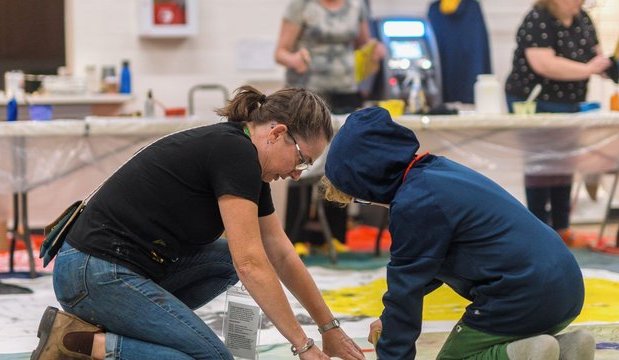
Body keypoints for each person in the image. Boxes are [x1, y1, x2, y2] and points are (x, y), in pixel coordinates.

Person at [31, 86, 366, 360]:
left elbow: (280, 252)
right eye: (302, 160)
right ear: (277, 133)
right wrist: (303, 346)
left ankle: (136, 329)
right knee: (212, 359)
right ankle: (83, 344)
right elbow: (250, 263)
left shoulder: (247, 158)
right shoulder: (235, 154)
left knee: (223, 262)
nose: (296, 174)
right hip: (92, 273)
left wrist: (329, 328)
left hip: (112, 267)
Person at [321, 106, 595, 359]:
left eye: (360, 198)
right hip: (567, 287)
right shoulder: (439, 170)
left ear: (369, 182)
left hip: (522, 296)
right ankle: (567, 349)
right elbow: (428, 266)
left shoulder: (413, 204)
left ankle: (521, 354)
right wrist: (388, 318)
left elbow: (406, 289)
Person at [504, 0, 614, 244]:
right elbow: (544, 64)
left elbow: (596, 58)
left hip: (570, 103)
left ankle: (562, 228)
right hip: (533, 101)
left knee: (564, 163)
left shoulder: (583, 18)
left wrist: (610, 66)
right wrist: (588, 69)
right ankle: (539, 230)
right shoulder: (538, 18)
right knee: (541, 165)